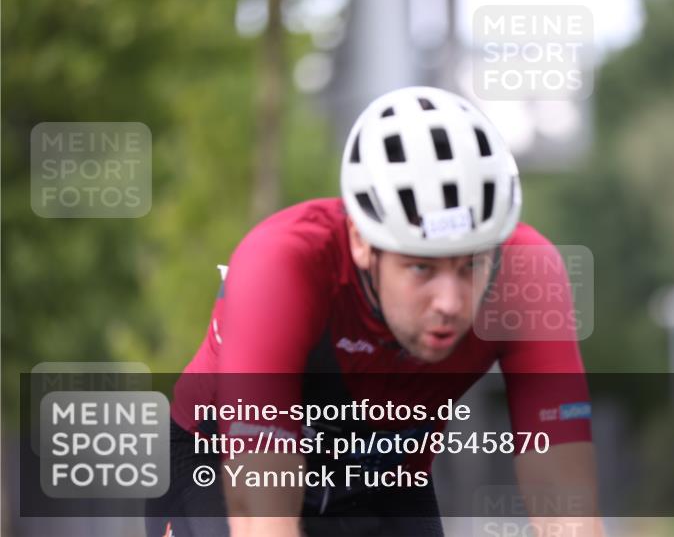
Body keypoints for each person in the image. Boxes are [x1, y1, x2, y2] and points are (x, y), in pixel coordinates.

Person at [146, 86, 601, 537]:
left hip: (383, 480)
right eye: (421, 267)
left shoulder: (526, 274)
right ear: (362, 242)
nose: (450, 302)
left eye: (472, 265)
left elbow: (562, 490)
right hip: (216, 460)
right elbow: (262, 516)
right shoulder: (282, 264)